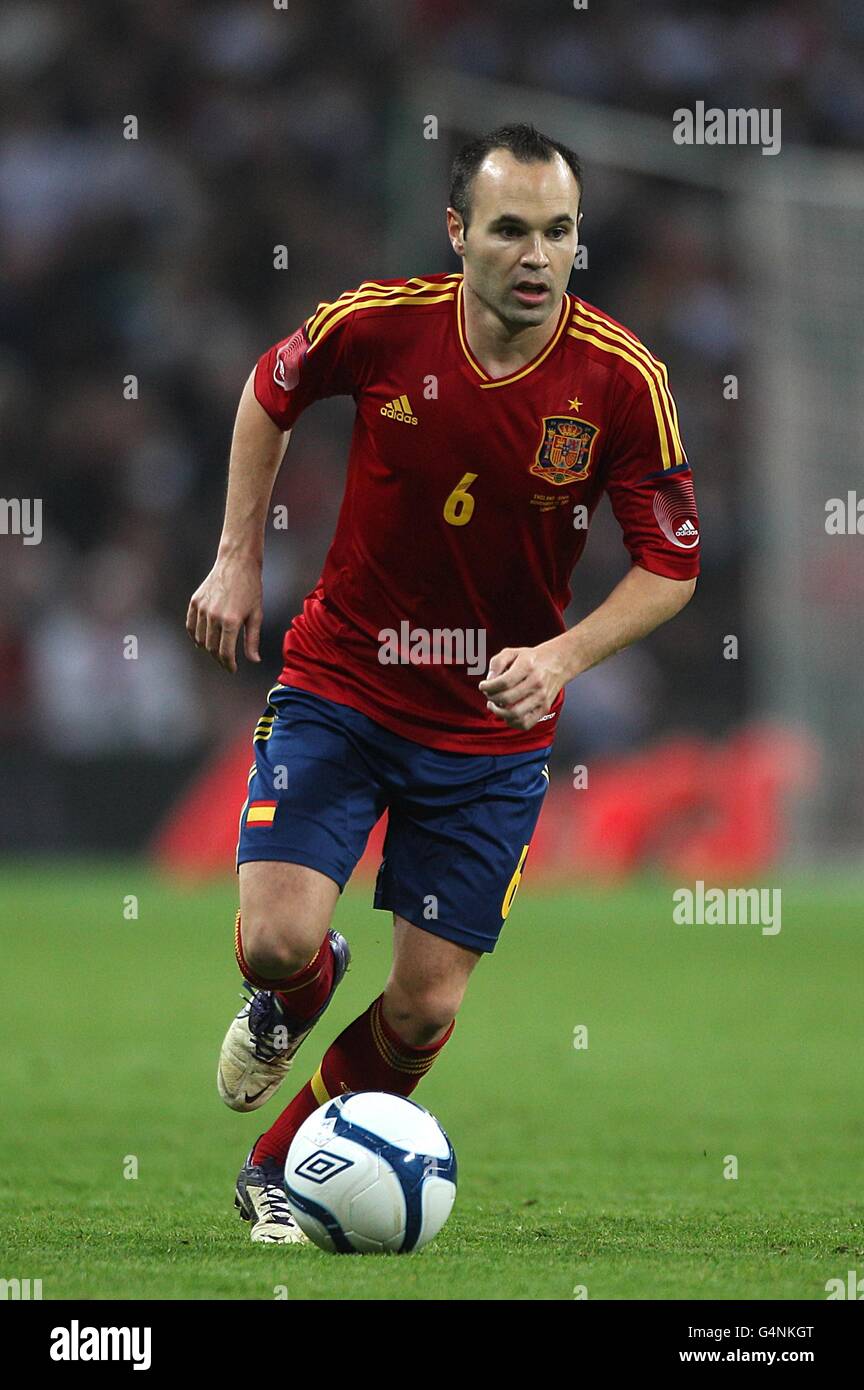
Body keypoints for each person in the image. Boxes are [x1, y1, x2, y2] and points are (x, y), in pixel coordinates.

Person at [186, 123, 700, 1243]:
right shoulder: (378, 324)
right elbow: (270, 392)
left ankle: (278, 1168)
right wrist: (237, 555)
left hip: (491, 735)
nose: (536, 254)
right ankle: (299, 991)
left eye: (558, 232)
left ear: (577, 241)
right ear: (459, 232)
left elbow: (674, 566)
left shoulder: (621, 380)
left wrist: (561, 658)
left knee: (425, 1007)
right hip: (344, 687)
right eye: (510, 228)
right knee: (273, 940)